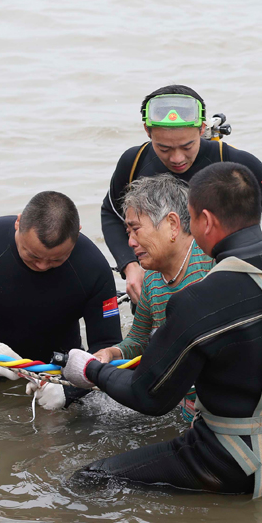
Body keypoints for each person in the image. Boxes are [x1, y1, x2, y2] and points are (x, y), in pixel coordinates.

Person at [62, 162, 262, 497]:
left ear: (205, 222)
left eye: (192, 219)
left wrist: (91, 369)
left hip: (236, 464)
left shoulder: (197, 300)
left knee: (92, 477)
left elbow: (147, 396)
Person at [0, 191, 122, 410]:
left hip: (56, 366)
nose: (42, 266)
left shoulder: (93, 267)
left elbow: (107, 348)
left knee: (90, 410)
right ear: (18, 223)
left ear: (77, 235)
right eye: (33, 256)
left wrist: (68, 392)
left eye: (57, 259)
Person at [101, 84, 262, 307]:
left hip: (228, 288)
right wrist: (129, 265)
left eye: (187, 146)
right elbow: (111, 213)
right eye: (164, 148)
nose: (177, 158)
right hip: (158, 293)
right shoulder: (133, 162)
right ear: (147, 131)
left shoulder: (238, 163)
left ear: (202, 129)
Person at [92, 174, 214, 420]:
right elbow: (138, 342)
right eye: (127, 232)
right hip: (190, 411)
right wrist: (110, 354)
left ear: (172, 224)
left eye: (135, 229)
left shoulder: (212, 260)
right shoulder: (151, 282)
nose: (130, 242)